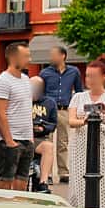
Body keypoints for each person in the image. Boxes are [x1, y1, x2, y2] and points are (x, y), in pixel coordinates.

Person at [63, 60, 105, 208]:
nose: (89, 80)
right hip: (81, 146)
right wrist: (84, 121)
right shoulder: (78, 97)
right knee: (79, 183)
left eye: (93, 76)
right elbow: (71, 121)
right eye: (87, 76)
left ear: (104, 76)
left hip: (104, 147)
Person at [0, 42, 36, 192]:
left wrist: (30, 138)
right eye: (25, 56)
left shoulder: (26, 80)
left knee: (22, 182)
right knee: (4, 182)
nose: (29, 59)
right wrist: (9, 140)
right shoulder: (3, 81)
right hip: (8, 141)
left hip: (26, 140)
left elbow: (26, 109)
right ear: (14, 58)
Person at [39, 45, 82, 185]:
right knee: (47, 142)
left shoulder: (74, 72)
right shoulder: (44, 73)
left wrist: (78, 110)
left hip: (65, 110)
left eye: (54, 55)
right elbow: (40, 92)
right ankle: (48, 173)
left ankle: (64, 172)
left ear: (63, 56)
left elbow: (79, 91)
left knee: (63, 142)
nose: (51, 58)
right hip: (48, 111)